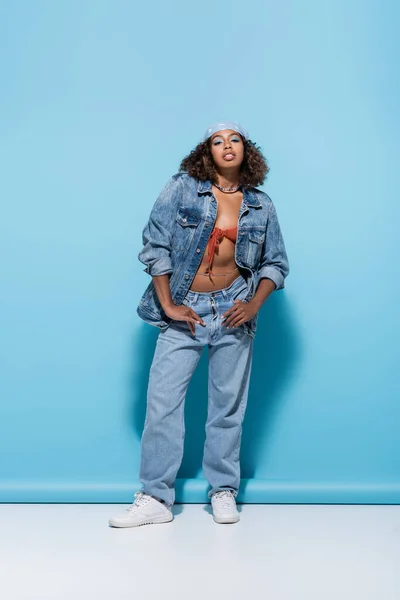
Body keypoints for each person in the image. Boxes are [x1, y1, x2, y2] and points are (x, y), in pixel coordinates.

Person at [108, 121, 290, 528]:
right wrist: (168, 303)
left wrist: (254, 303)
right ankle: (156, 497)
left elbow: (275, 263)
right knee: (162, 403)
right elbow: (154, 244)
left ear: (247, 150)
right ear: (207, 152)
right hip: (187, 308)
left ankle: (223, 490)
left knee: (227, 408)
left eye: (235, 139)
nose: (227, 145)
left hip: (233, 308)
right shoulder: (182, 188)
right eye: (218, 141)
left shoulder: (262, 205)